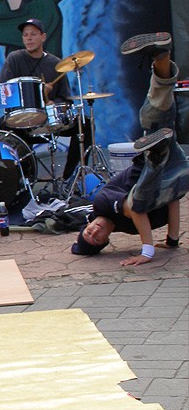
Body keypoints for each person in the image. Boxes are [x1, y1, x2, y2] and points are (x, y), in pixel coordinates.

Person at [72, 32, 188, 266]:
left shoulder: (102, 203)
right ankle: (158, 153)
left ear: (88, 223)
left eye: (89, 231)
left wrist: (147, 252)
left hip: (152, 167)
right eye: (96, 238)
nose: (95, 231)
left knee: (154, 116)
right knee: (155, 118)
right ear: (106, 241)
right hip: (175, 171)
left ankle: (161, 57)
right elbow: (173, 198)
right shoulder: (132, 228)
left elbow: (135, 208)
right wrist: (172, 240)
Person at [0, 17, 91, 180]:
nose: (29, 38)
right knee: (4, 125)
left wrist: (54, 103)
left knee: (85, 124)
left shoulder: (56, 63)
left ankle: (70, 177)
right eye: (25, 35)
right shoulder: (14, 59)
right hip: (23, 122)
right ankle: (20, 179)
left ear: (43, 37)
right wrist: (39, 92)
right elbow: (3, 93)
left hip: (50, 121)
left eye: (33, 34)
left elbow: (66, 99)